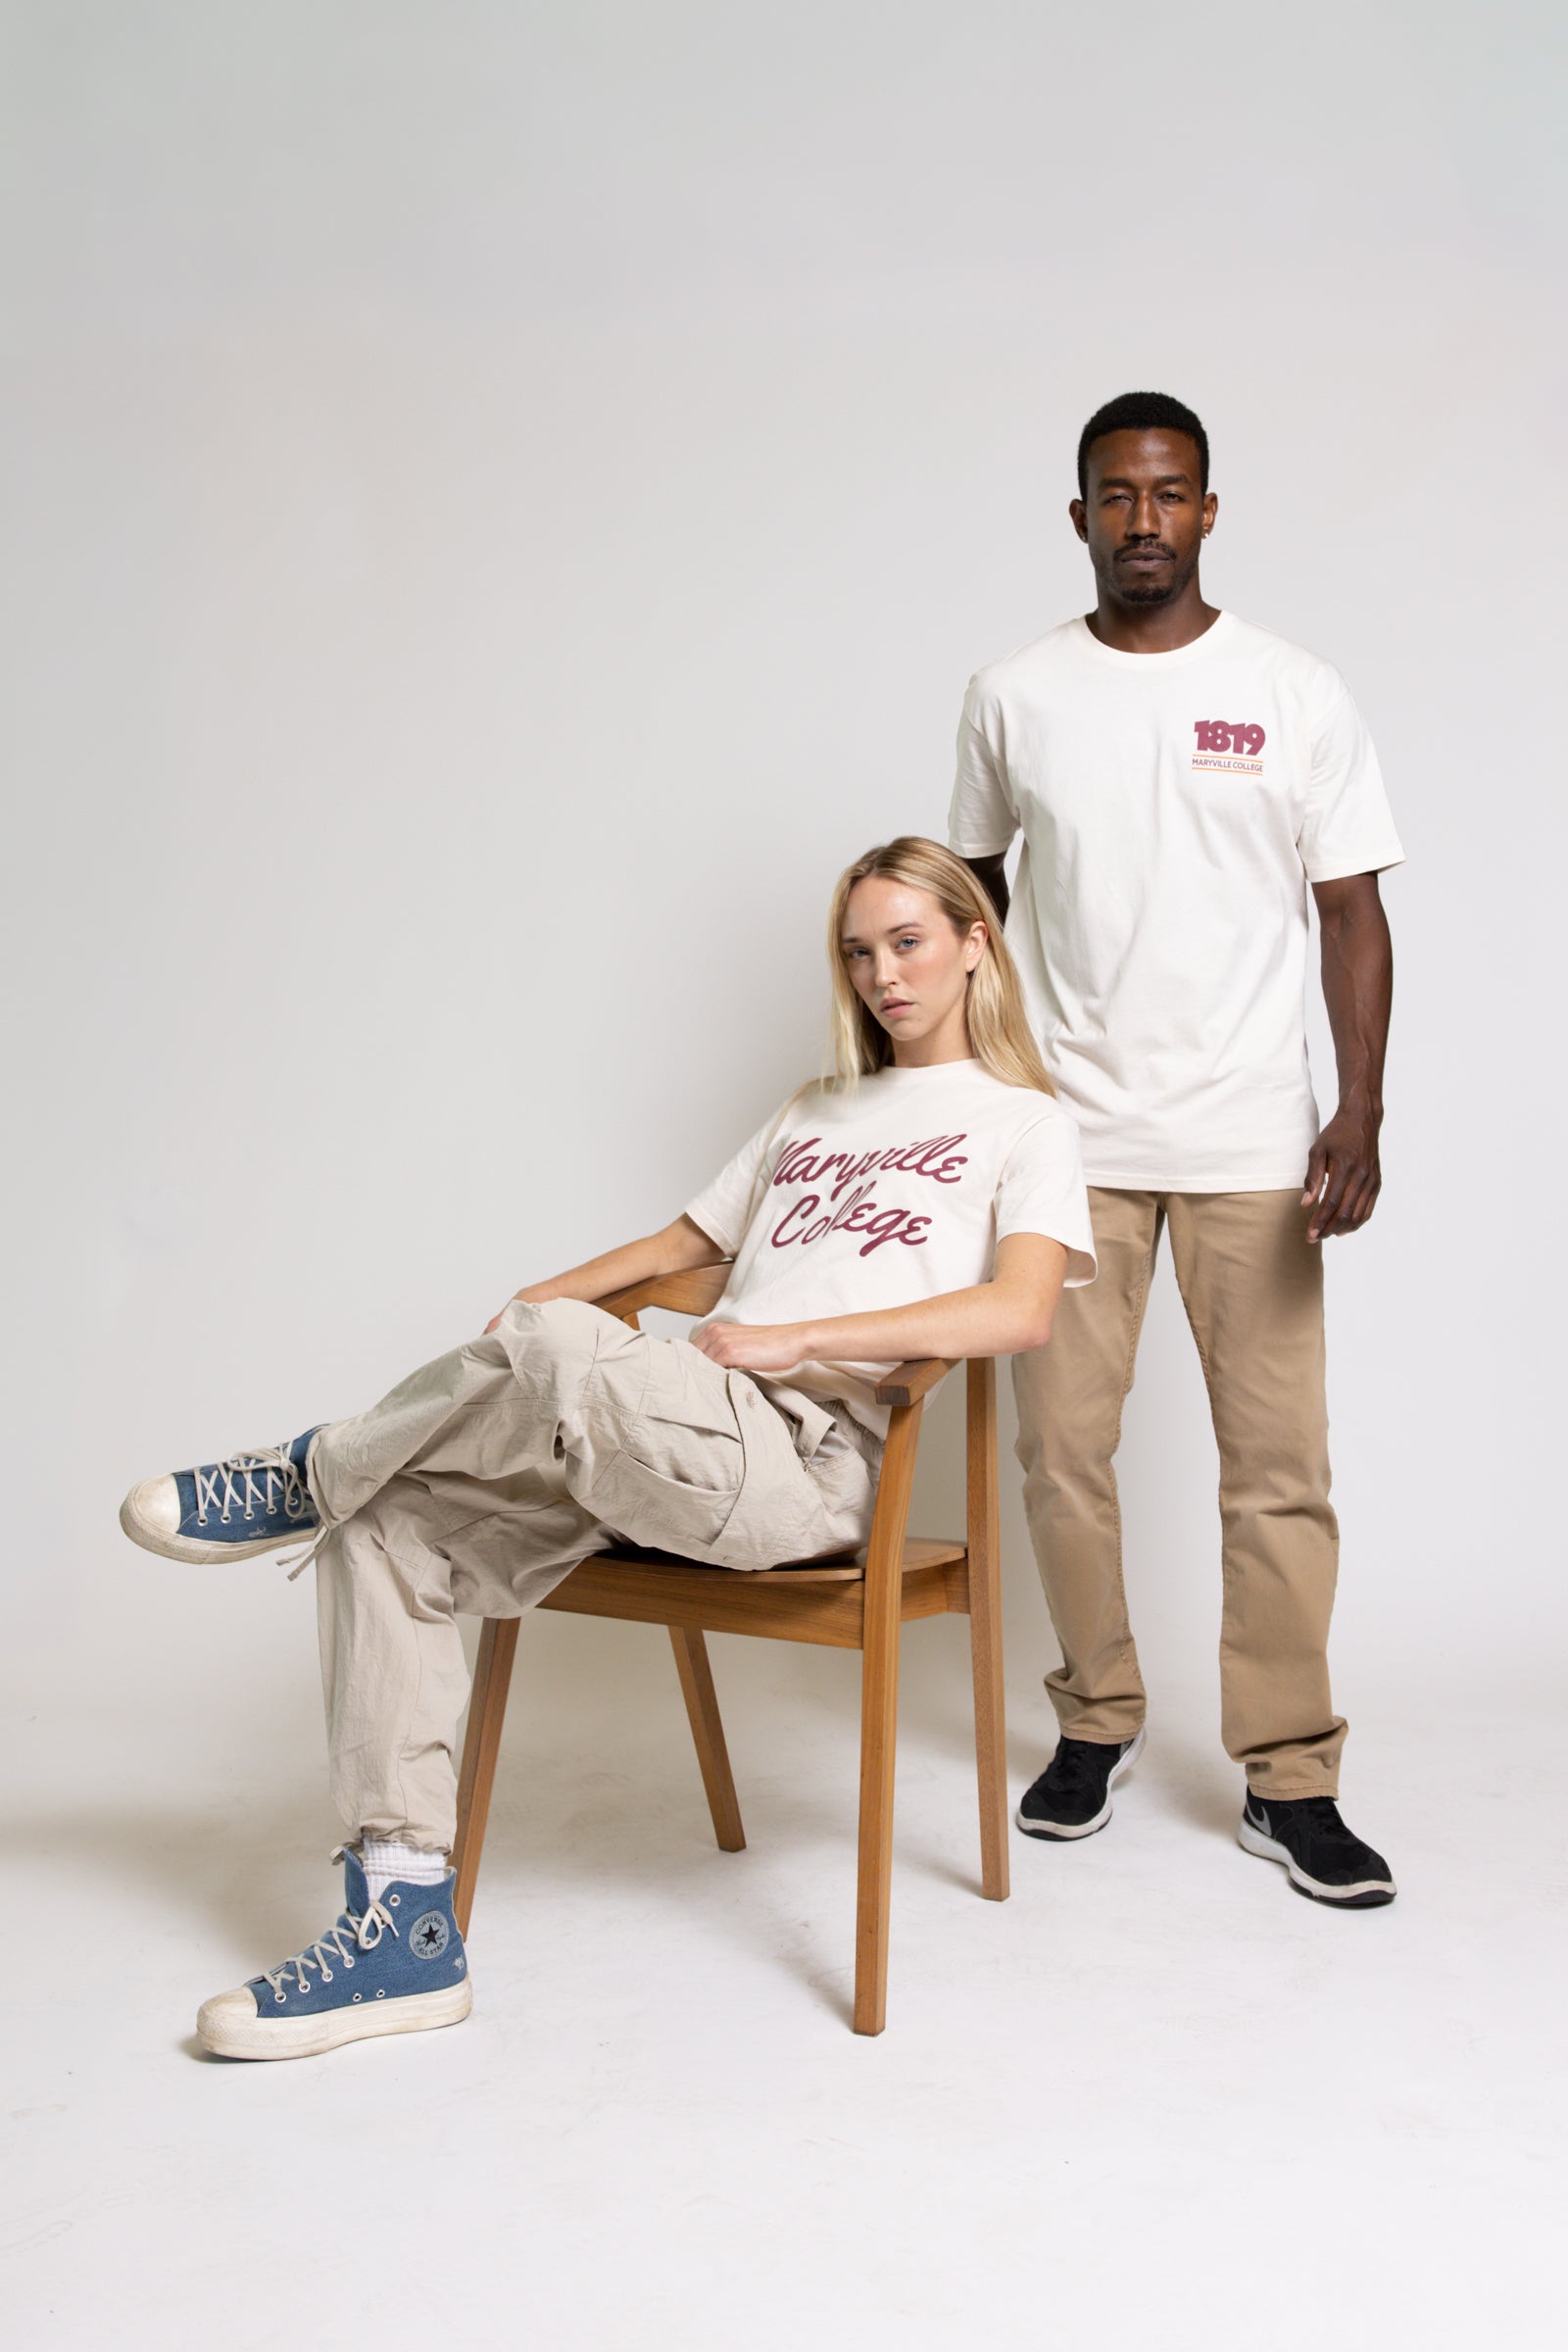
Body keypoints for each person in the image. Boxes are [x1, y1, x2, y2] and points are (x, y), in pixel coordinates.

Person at [120, 837, 1095, 2059]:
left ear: (973, 944)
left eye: (907, 943)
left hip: (807, 1470)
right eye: (858, 953)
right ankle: (404, 1933)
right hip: (685, 1426)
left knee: (540, 1359)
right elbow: (678, 1247)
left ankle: (308, 1470)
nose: (882, 975)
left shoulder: (1024, 1124)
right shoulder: (814, 1109)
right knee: (390, 1528)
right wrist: (537, 1306)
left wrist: (797, 1339)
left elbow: (1019, 1310)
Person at [950, 390, 1403, 1908]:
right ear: (1079, 514)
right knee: (1061, 1457)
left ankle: (1291, 1776)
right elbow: (968, 905)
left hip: (1254, 1145)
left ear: (1209, 510)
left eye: (1170, 494)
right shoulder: (1013, 695)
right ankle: (1095, 1719)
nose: (1143, 520)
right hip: (1069, 1145)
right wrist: (972, 1107)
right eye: (1117, 495)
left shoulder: (1292, 690)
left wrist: (1358, 1108)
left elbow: (1352, 910)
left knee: (1279, 1473)